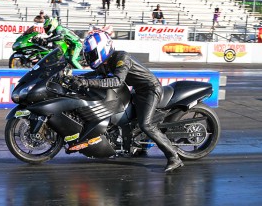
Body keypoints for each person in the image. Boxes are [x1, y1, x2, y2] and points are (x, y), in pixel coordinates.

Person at [70, 31, 184, 172]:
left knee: (146, 125)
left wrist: (86, 83)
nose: (89, 57)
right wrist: (74, 78)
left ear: (102, 49)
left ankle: (174, 157)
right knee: (126, 118)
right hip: (137, 90)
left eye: (92, 54)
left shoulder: (122, 57)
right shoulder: (106, 63)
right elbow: (95, 74)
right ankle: (138, 145)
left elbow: (117, 81)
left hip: (150, 90)